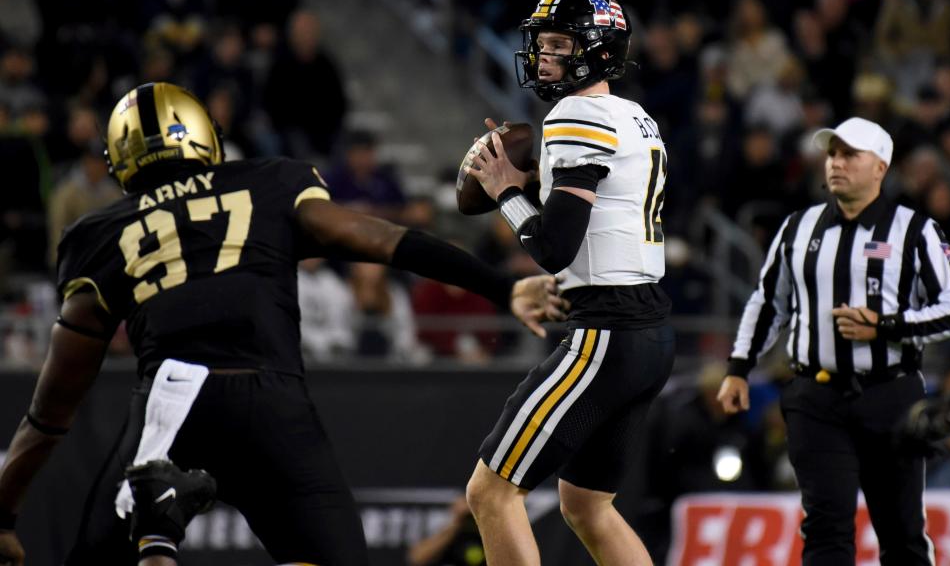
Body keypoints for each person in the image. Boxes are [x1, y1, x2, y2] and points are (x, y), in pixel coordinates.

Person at [0, 82, 566, 566]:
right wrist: (502, 286)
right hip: (270, 398)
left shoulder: (100, 231)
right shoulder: (268, 180)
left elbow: (53, 406)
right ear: (205, 136)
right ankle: (155, 528)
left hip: (172, 399)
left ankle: (156, 528)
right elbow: (384, 240)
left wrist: (4, 512)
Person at [463, 0, 674, 566]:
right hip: (651, 329)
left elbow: (553, 247)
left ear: (599, 50)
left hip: (606, 331)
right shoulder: (636, 116)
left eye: (559, 43)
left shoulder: (576, 113)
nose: (543, 55)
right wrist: (533, 184)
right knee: (587, 505)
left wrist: (506, 190)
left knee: (490, 492)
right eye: (543, 43)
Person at [717, 116, 950, 565]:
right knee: (825, 528)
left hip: (891, 396)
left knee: (901, 531)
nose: (836, 163)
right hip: (816, 397)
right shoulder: (797, 227)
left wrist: (886, 325)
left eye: (850, 154)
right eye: (831, 154)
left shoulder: (916, 230)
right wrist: (738, 369)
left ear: (880, 167)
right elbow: (770, 303)